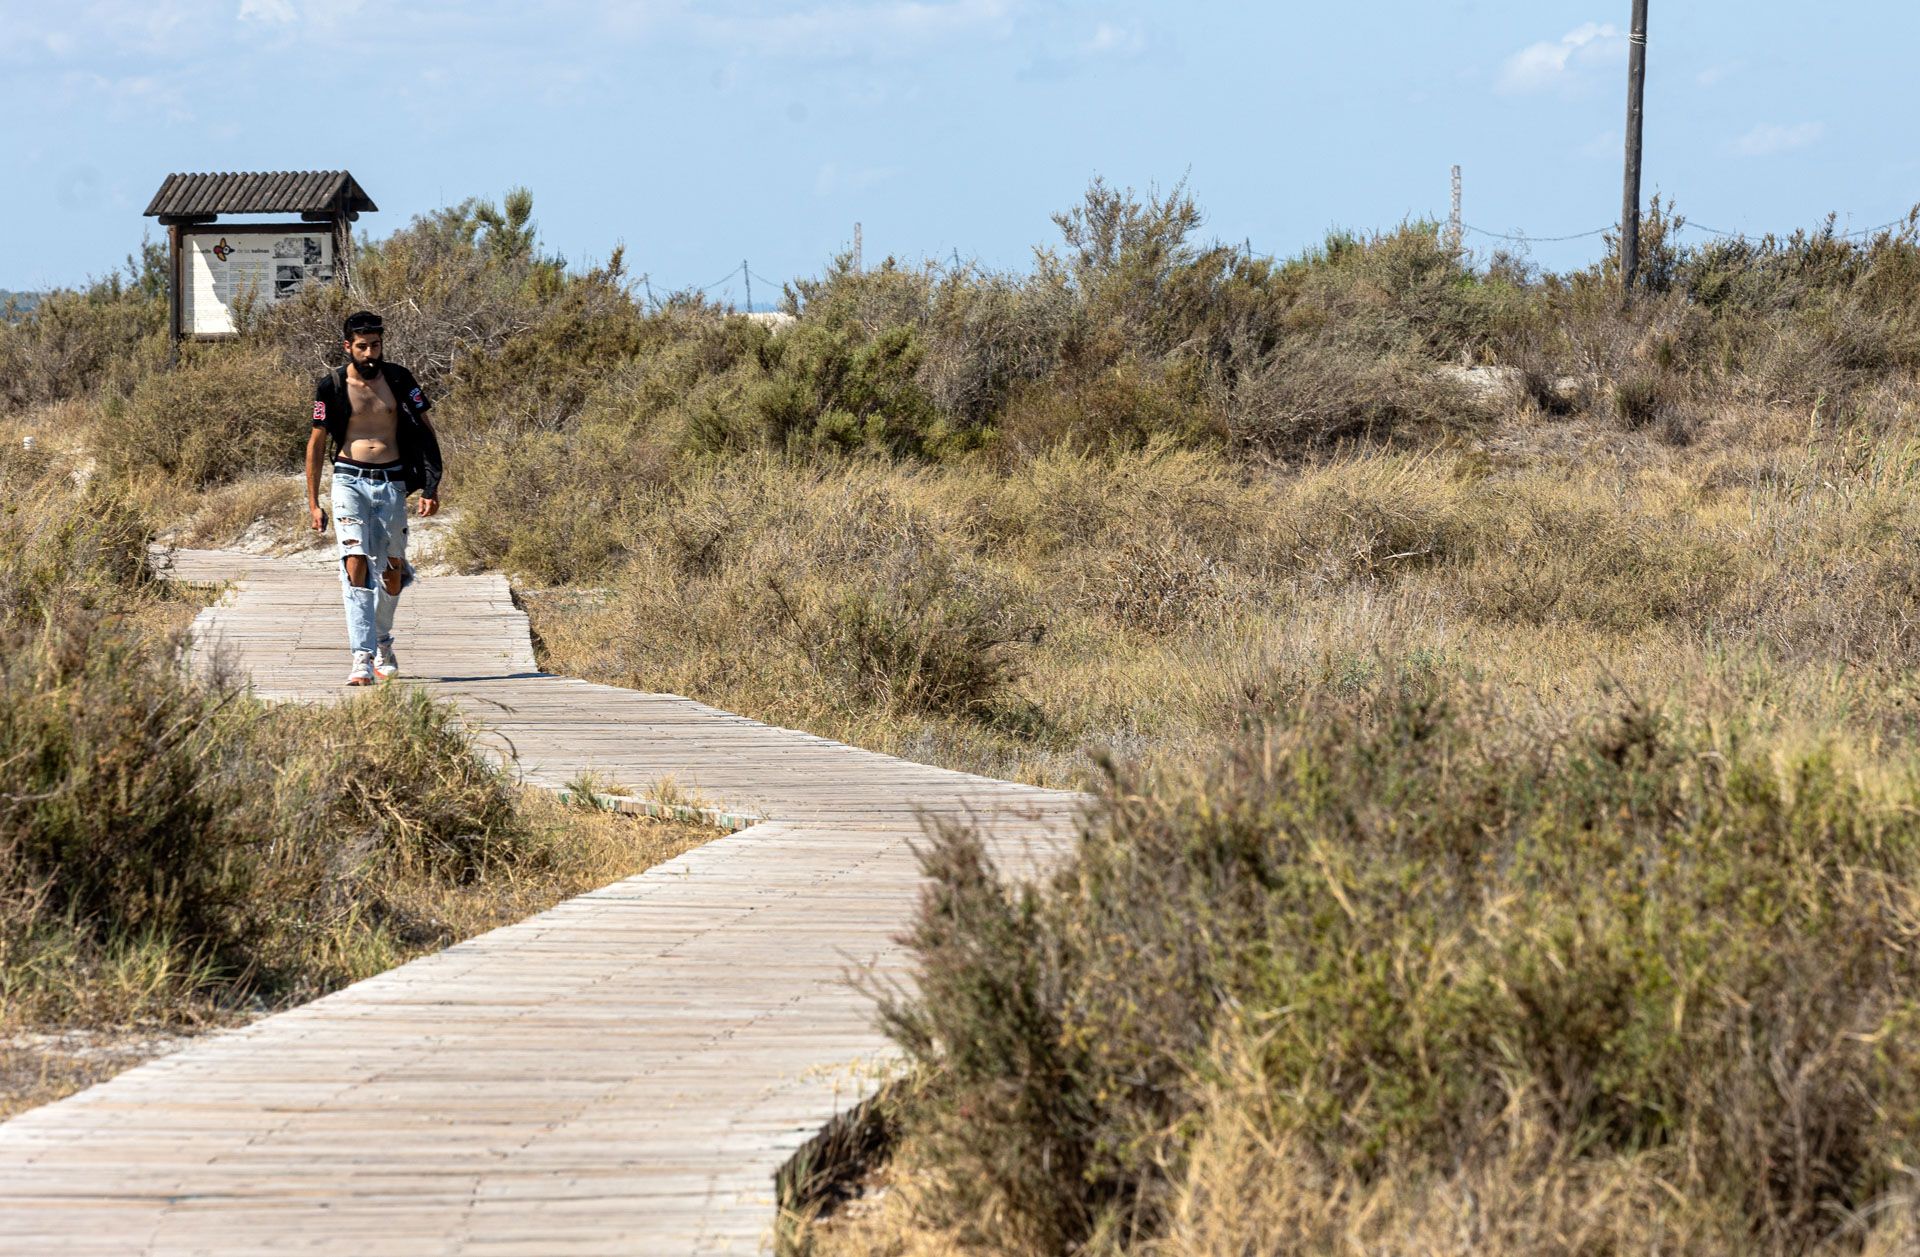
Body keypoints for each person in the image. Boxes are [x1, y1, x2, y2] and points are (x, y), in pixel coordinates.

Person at [305, 311, 443, 686]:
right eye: (362, 346)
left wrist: (431, 486)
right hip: (348, 478)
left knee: (393, 572)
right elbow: (317, 443)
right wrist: (314, 501)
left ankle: (383, 640)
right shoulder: (331, 385)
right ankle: (361, 657)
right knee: (354, 561)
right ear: (348, 346)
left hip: (392, 481)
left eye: (376, 345)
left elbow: (426, 431)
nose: (370, 353)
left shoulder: (399, 380)